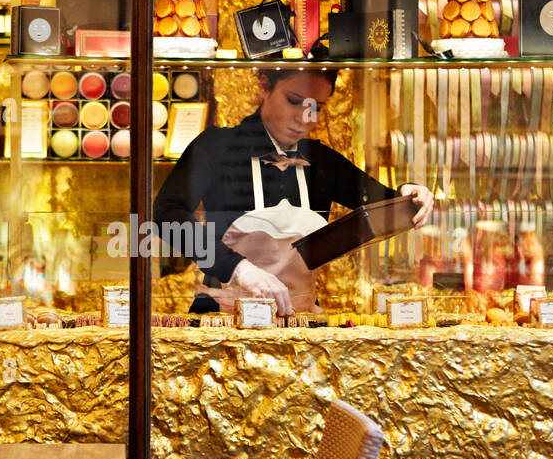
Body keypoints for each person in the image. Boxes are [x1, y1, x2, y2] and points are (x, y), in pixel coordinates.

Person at [154, 67, 433, 315]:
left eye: (317, 107)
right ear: (264, 85)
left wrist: (411, 193)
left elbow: (383, 204)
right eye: (293, 101)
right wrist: (239, 268)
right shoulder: (216, 147)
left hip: (298, 318)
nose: (304, 118)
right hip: (225, 317)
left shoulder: (321, 160)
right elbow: (166, 214)